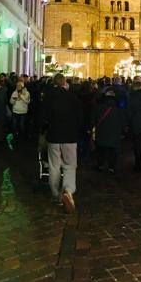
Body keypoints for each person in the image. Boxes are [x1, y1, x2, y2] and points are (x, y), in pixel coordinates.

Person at [43, 73, 82, 213]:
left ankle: (55, 194)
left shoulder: (47, 97)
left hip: (53, 136)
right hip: (70, 137)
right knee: (70, 166)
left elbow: (42, 117)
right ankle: (68, 190)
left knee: (54, 166)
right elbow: (79, 117)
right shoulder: (72, 97)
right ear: (64, 83)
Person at [94, 90, 126, 175]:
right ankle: (111, 167)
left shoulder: (99, 107)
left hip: (101, 132)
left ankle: (100, 165)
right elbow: (123, 122)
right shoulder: (119, 109)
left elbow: (94, 120)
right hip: (114, 133)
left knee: (101, 149)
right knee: (113, 151)